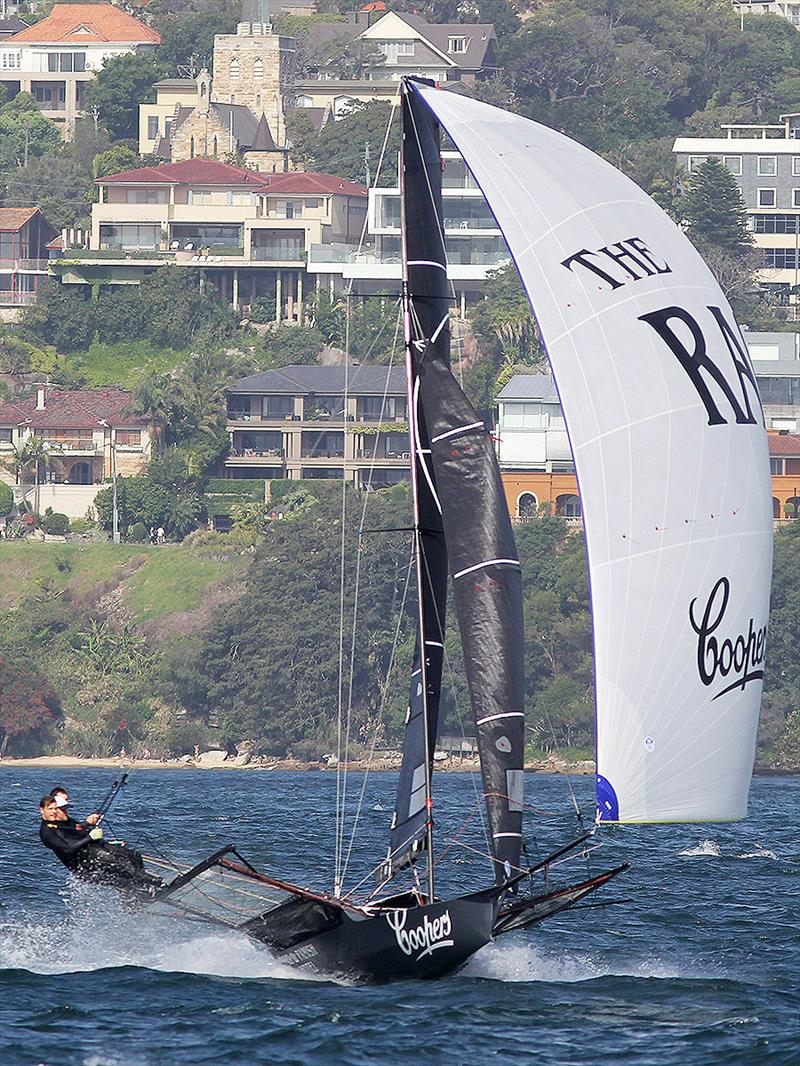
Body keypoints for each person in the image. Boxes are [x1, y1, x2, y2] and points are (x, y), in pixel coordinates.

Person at [38, 794, 163, 898]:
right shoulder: (47, 832)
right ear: (42, 810)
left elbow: (78, 832)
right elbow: (68, 847)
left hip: (92, 859)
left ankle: (143, 891)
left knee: (133, 855)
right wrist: (90, 837)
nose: (54, 812)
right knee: (121, 870)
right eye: (51, 809)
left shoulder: (64, 823)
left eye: (56, 809)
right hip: (84, 869)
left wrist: (89, 825)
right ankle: (148, 885)